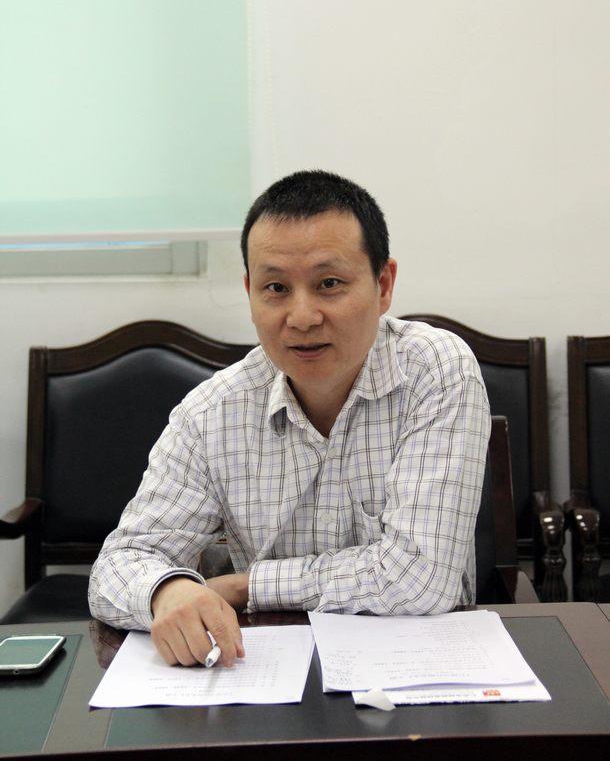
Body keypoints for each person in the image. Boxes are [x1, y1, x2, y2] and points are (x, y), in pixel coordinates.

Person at [89, 170, 491, 669]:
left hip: (427, 667)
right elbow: (117, 566)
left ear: (383, 285)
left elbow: (421, 578)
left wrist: (248, 586)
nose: (301, 317)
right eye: (276, 287)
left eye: (329, 284)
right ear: (250, 292)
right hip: (270, 670)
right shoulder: (212, 413)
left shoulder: (436, 370)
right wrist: (166, 591)